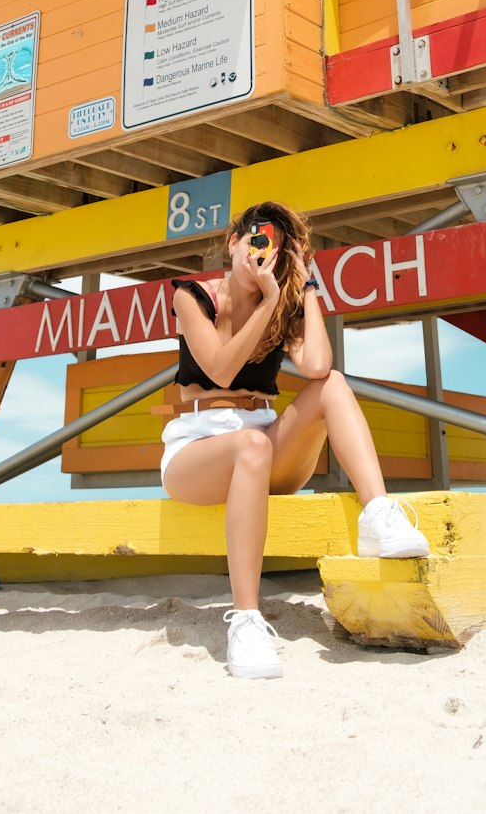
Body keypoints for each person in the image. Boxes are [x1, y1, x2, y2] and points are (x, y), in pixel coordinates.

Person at [162, 199, 429, 679]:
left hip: (266, 447)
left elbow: (317, 368)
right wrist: (266, 301)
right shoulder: (193, 296)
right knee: (250, 445)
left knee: (333, 385)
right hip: (198, 449)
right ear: (233, 241)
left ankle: (379, 514)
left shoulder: (283, 306)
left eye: (276, 252)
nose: (261, 255)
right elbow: (220, 370)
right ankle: (245, 620)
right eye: (256, 240)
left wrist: (303, 287)